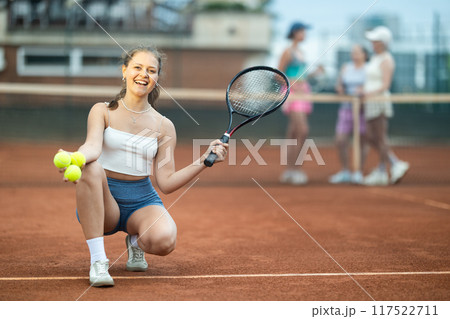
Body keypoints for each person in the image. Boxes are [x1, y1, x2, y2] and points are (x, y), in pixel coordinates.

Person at [57, 46, 228, 287]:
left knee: (165, 241)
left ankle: (135, 242)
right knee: (91, 166)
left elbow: (166, 182)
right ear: (124, 71)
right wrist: (75, 158)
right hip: (104, 202)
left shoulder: (164, 126)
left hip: (142, 200)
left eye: (151, 70)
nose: (144, 74)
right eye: (137, 67)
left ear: (157, 79)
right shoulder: (102, 110)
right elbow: (92, 148)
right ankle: (98, 261)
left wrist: (203, 160)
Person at [362, 26, 409, 186]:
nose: (372, 43)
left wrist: (368, 93)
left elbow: (385, 85)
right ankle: (395, 163)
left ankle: (382, 170)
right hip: (370, 102)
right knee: (370, 136)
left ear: (382, 43)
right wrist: (364, 91)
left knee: (380, 136)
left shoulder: (387, 59)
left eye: (375, 40)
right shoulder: (375, 58)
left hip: (379, 101)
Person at [329, 44, 369, 184]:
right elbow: (339, 85)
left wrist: (363, 91)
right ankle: (345, 171)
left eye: (357, 52)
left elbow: (371, 87)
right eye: (353, 52)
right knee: (340, 140)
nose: (354, 55)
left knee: (362, 141)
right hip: (346, 109)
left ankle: (358, 171)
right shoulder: (346, 67)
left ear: (365, 54)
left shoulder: (369, 69)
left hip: (363, 110)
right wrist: (340, 89)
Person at [278, 21, 312, 185]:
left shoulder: (301, 52)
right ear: (294, 33)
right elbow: (278, 74)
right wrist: (293, 82)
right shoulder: (288, 51)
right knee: (303, 130)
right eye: (302, 31)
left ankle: (290, 170)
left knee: (293, 133)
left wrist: (313, 75)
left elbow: (302, 76)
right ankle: (295, 170)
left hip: (303, 93)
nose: (305, 34)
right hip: (292, 94)